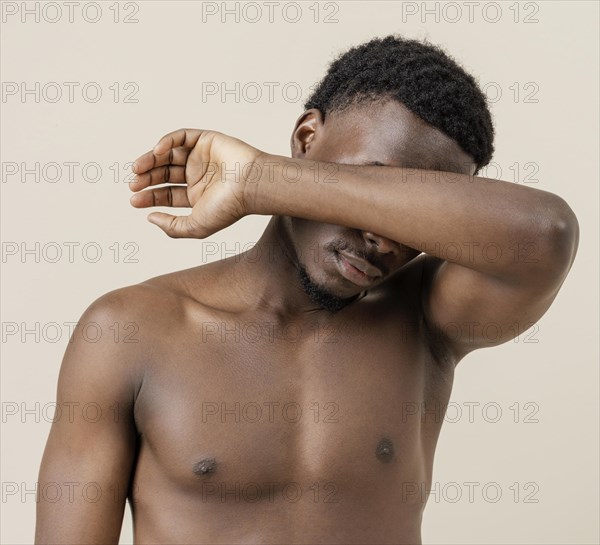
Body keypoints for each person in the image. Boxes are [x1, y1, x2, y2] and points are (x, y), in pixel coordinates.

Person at [35, 35, 579, 544]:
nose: (383, 238)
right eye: (372, 182)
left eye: (406, 213)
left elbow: (546, 233)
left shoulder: (427, 323)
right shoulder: (131, 329)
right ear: (306, 139)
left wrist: (260, 182)